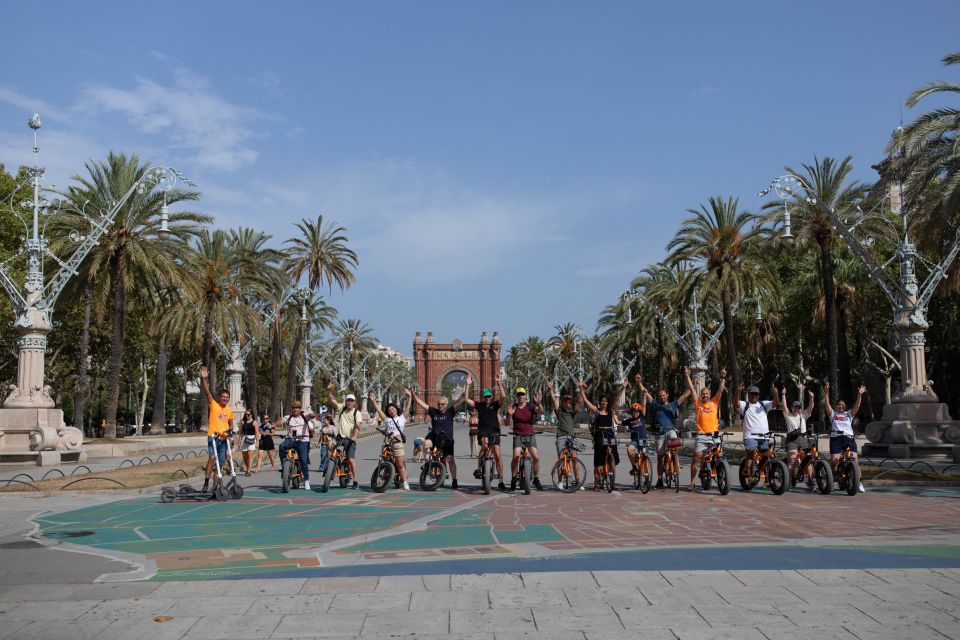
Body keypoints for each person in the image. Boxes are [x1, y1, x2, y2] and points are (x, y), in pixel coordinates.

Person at [638, 378, 691, 489]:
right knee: (660, 458)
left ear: (667, 395)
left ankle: (675, 461)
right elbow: (646, 393)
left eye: (664, 395)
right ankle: (660, 479)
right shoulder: (655, 404)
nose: (662, 397)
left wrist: (694, 384)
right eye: (660, 396)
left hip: (670, 430)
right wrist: (639, 383)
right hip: (659, 433)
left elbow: (685, 395)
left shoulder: (673, 405)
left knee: (674, 441)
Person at [411, 387, 465, 489]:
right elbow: (421, 404)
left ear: (446, 405)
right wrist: (414, 395)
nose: (440, 406)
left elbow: (462, 400)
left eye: (442, 404)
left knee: (449, 460)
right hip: (434, 438)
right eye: (439, 404)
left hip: (447, 441)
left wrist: (467, 386)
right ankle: (427, 462)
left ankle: (454, 480)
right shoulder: (433, 411)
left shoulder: (450, 412)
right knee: (427, 443)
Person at [684, 366, 727, 492]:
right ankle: (692, 482)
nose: (704, 395)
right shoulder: (698, 404)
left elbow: (720, 389)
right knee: (697, 457)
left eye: (707, 394)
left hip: (714, 434)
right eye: (703, 394)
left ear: (710, 395)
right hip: (702, 435)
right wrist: (687, 376)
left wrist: (723, 377)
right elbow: (692, 390)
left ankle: (720, 474)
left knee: (719, 456)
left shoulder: (714, 402)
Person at [579, 380, 624, 491]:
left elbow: (617, 398)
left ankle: (611, 480)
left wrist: (623, 387)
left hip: (610, 434)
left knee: (613, 453)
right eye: (602, 401)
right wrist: (581, 390)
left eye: (606, 401)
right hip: (599, 435)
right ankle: (597, 483)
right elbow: (585, 401)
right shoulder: (597, 411)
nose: (604, 403)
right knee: (598, 461)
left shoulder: (611, 411)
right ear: (600, 402)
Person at [464, 374, 506, 491]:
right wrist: (467, 385)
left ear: (491, 397)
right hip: (482, 431)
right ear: (483, 397)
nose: (487, 398)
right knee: (485, 446)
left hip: (494, 431)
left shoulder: (495, 405)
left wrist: (499, 384)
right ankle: (479, 467)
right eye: (486, 396)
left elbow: (503, 396)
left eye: (489, 396)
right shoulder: (479, 405)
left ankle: (501, 480)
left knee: (497, 454)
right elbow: (466, 399)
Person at [824, 382, 867, 493]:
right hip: (836, 439)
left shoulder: (849, 414)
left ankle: (859, 482)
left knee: (855, 460)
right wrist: (826, 392)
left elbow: (857, 406)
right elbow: (827, 404)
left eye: (843, 405)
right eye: (839, 404)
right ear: (836, 406)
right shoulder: (833, 414)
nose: (841, 406)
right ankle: (836, 478)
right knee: (835, 461)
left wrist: (860, 395)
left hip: (849, 438)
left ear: (845, 406)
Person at [199, 367, 234, 493]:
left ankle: (215, 487)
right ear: (220, 397)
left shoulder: (229, 411)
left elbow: (231, 424)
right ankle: (206, 483)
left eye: (227, 397)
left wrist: (231, 432)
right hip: (213, 437)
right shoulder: (214, 404)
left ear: (229, 399)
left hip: (223, 440)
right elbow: (208, 392)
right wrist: (204, 378)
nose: (225, 399)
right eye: (223, 397)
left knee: (220, 464)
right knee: (212, 458)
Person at [369, 390, 411, 490]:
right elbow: (379, 411)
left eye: (393, 409)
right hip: (387, 443)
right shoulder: (387, 420)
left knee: (400, 464)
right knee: (384, 459)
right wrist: (373, 401)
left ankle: (405, 482)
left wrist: (410, 396)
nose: (391, 411)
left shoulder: (402, 418)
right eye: (389, 410)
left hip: (397, 443)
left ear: (396, 409)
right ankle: (386, 473)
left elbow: (408, 407)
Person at [736, 382, 779, 479]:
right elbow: (736, 403)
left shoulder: (764, 404)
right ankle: (750, 475)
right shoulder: (745, 405)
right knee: (750, 454)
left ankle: (763, 473)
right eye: (752, 394)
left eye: (756, 394)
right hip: (750, 436)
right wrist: (738, 391)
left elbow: (775, 403)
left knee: (767, 455)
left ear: (758, 395)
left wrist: (776, 393)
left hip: (764, 436)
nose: (754, 396)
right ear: (749, 395)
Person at [507, 387, 544, 491]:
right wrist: (509, 416)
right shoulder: (513, 407)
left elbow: (541, 411)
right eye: (518, 394)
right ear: (516, 396)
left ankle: (536, 479)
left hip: (530, 435)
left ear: (525, 396)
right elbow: (506, 424)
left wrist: (538, 403)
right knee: (516, 456)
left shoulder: (530, 406)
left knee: (535, 457)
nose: (520, 396)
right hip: (518, 435)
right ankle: (514, 478)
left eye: (522, 394)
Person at [326, 382, 362, 489]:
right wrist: (329, 390)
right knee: (329, 445)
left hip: (350, 439)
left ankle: (355, 481)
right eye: (348, 400)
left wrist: (354, 437)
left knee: (351, 459)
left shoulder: (357, 413)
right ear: (346, 402)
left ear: (354, 403)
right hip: (340, 438)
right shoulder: (342, 408)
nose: (349, 402)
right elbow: (332, 400)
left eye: (351, 401)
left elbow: (357, 425)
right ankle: (330, 466)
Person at [276, 401, 314, 490]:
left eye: (297, 408)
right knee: (281, 447)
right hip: (291, 439)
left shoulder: (304, 416)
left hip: (303, 440)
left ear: (300, 409)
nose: (295, 409)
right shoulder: (288, 417)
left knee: (303, 460)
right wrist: (273, 425)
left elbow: (311, 416)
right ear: (291, 409)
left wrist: (312, 416)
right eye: (293, 408)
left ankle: (306, 480)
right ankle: (283, 464)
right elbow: (281, 421)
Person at [783, 387, 816, 489]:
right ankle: (788, 482)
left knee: (807, 460)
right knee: (792, 461)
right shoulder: (788, 415)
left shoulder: (803, 415)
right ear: (792, 408)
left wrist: (811, 398)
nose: (796, 409)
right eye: (795, 407)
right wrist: (783, 395)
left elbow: (810, 408)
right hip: (791, 440)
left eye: (798, 408)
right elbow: (784, 406)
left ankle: (811, 481)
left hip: (802, 439)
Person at [238, 410, 258, 476]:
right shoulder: (243, 422)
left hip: (252, 438)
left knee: (250, 453)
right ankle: (248, 467)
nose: (247, 416)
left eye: (248, 414)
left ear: (251, 415)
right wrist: (239, 440)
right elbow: (240, 432)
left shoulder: (254, 422)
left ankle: (248, 470)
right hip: (244, 438)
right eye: (246, 414)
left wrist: (257, 441)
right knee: (244, 454)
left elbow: (256, 432)